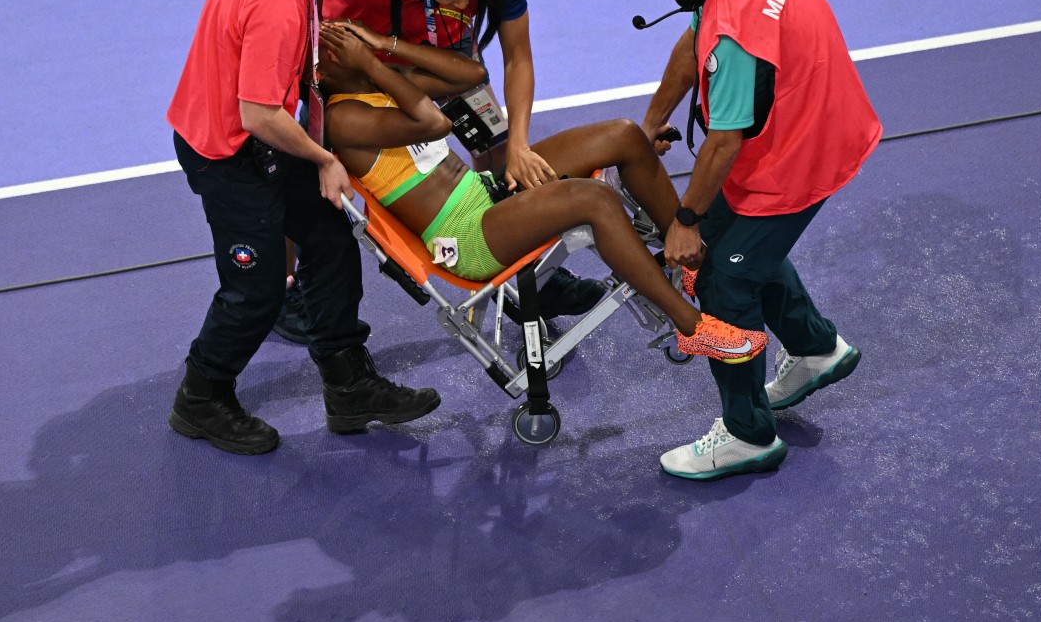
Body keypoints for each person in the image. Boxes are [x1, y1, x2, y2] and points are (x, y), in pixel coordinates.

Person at [164, 0, 440, 455]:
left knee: (329, 242)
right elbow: (258, 112)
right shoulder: (278, 5)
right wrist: (324, 158)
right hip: (228, 152)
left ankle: (349, 388)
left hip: (258, 138)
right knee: (257, 290)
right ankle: (201, 397)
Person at [316, 19, 770, 365]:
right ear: (325, 70)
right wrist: (371, 63)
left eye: (347, 36)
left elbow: (469, 73)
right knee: (593, 199)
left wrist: (382, 46)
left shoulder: (379, 87)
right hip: (469, 236)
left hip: (486, 194)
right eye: (338, 45)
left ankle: (692, 263)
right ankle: (691, 326)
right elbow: (436, 123)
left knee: (624, 134)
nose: (348, 43)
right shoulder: (343, 119)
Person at [629, 0, 881, 480]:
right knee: (741, 251)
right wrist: (653, 121)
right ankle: (817, 349)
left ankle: (748, 437)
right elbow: (695, 43)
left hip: (801, 154)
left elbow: (723, 139)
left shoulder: (737, 27)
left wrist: (687, 221)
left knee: (720, 279)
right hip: (811, 119)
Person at [320, 0, 608, 319]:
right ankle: (292, 288)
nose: (463, 4)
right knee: (304, 163)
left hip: (438, 51)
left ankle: (523, 272)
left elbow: (517, 57)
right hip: (363, 49)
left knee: (497, 142)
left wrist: (521, 146)